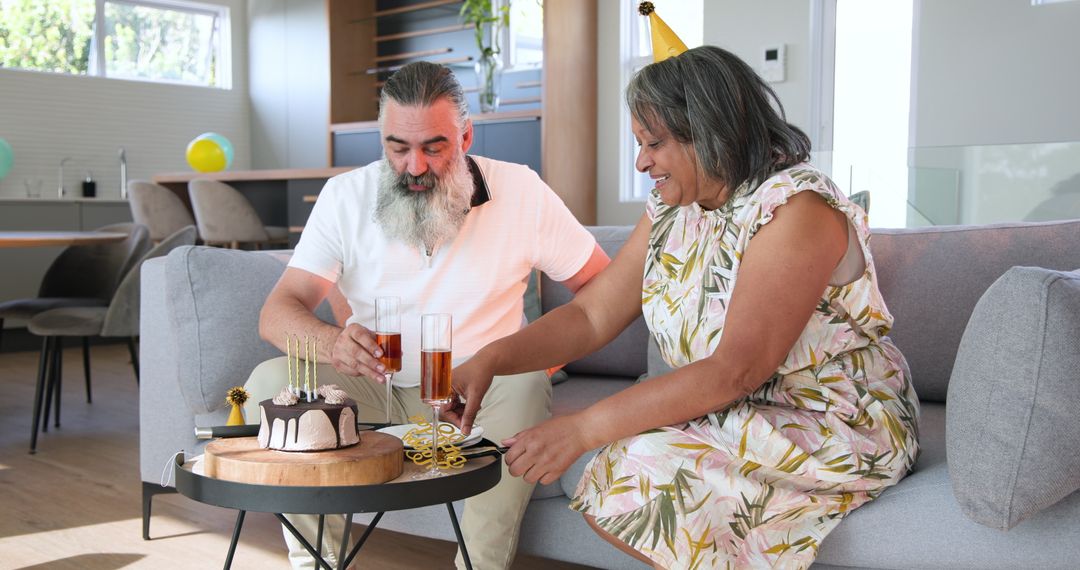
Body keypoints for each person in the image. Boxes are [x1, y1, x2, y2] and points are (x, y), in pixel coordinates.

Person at [447, 44, 921, 569]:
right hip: (736, 409)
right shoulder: (675, 206)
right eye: (638, 143)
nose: (641, 161)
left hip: (833, 418)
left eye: (654, 143)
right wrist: (491, 359)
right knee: (623, 467)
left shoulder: (796, 209)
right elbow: (591, 315)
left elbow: (735, 370)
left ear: (713, 131)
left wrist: (580, 428)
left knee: (636, 471)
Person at [242, 61, 609, 570]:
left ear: (465, 136)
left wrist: (537, 360)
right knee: (268, 380)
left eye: (434, 147)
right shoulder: (345, 196)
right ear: (382, 140)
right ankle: (316, 562)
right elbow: (277, 313)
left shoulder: (521, 190)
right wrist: (332, 342)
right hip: (373, 387)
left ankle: (478, 566)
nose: (414, 166)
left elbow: (603, 289)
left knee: (523, 383)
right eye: (398, 147)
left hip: (478, 393)